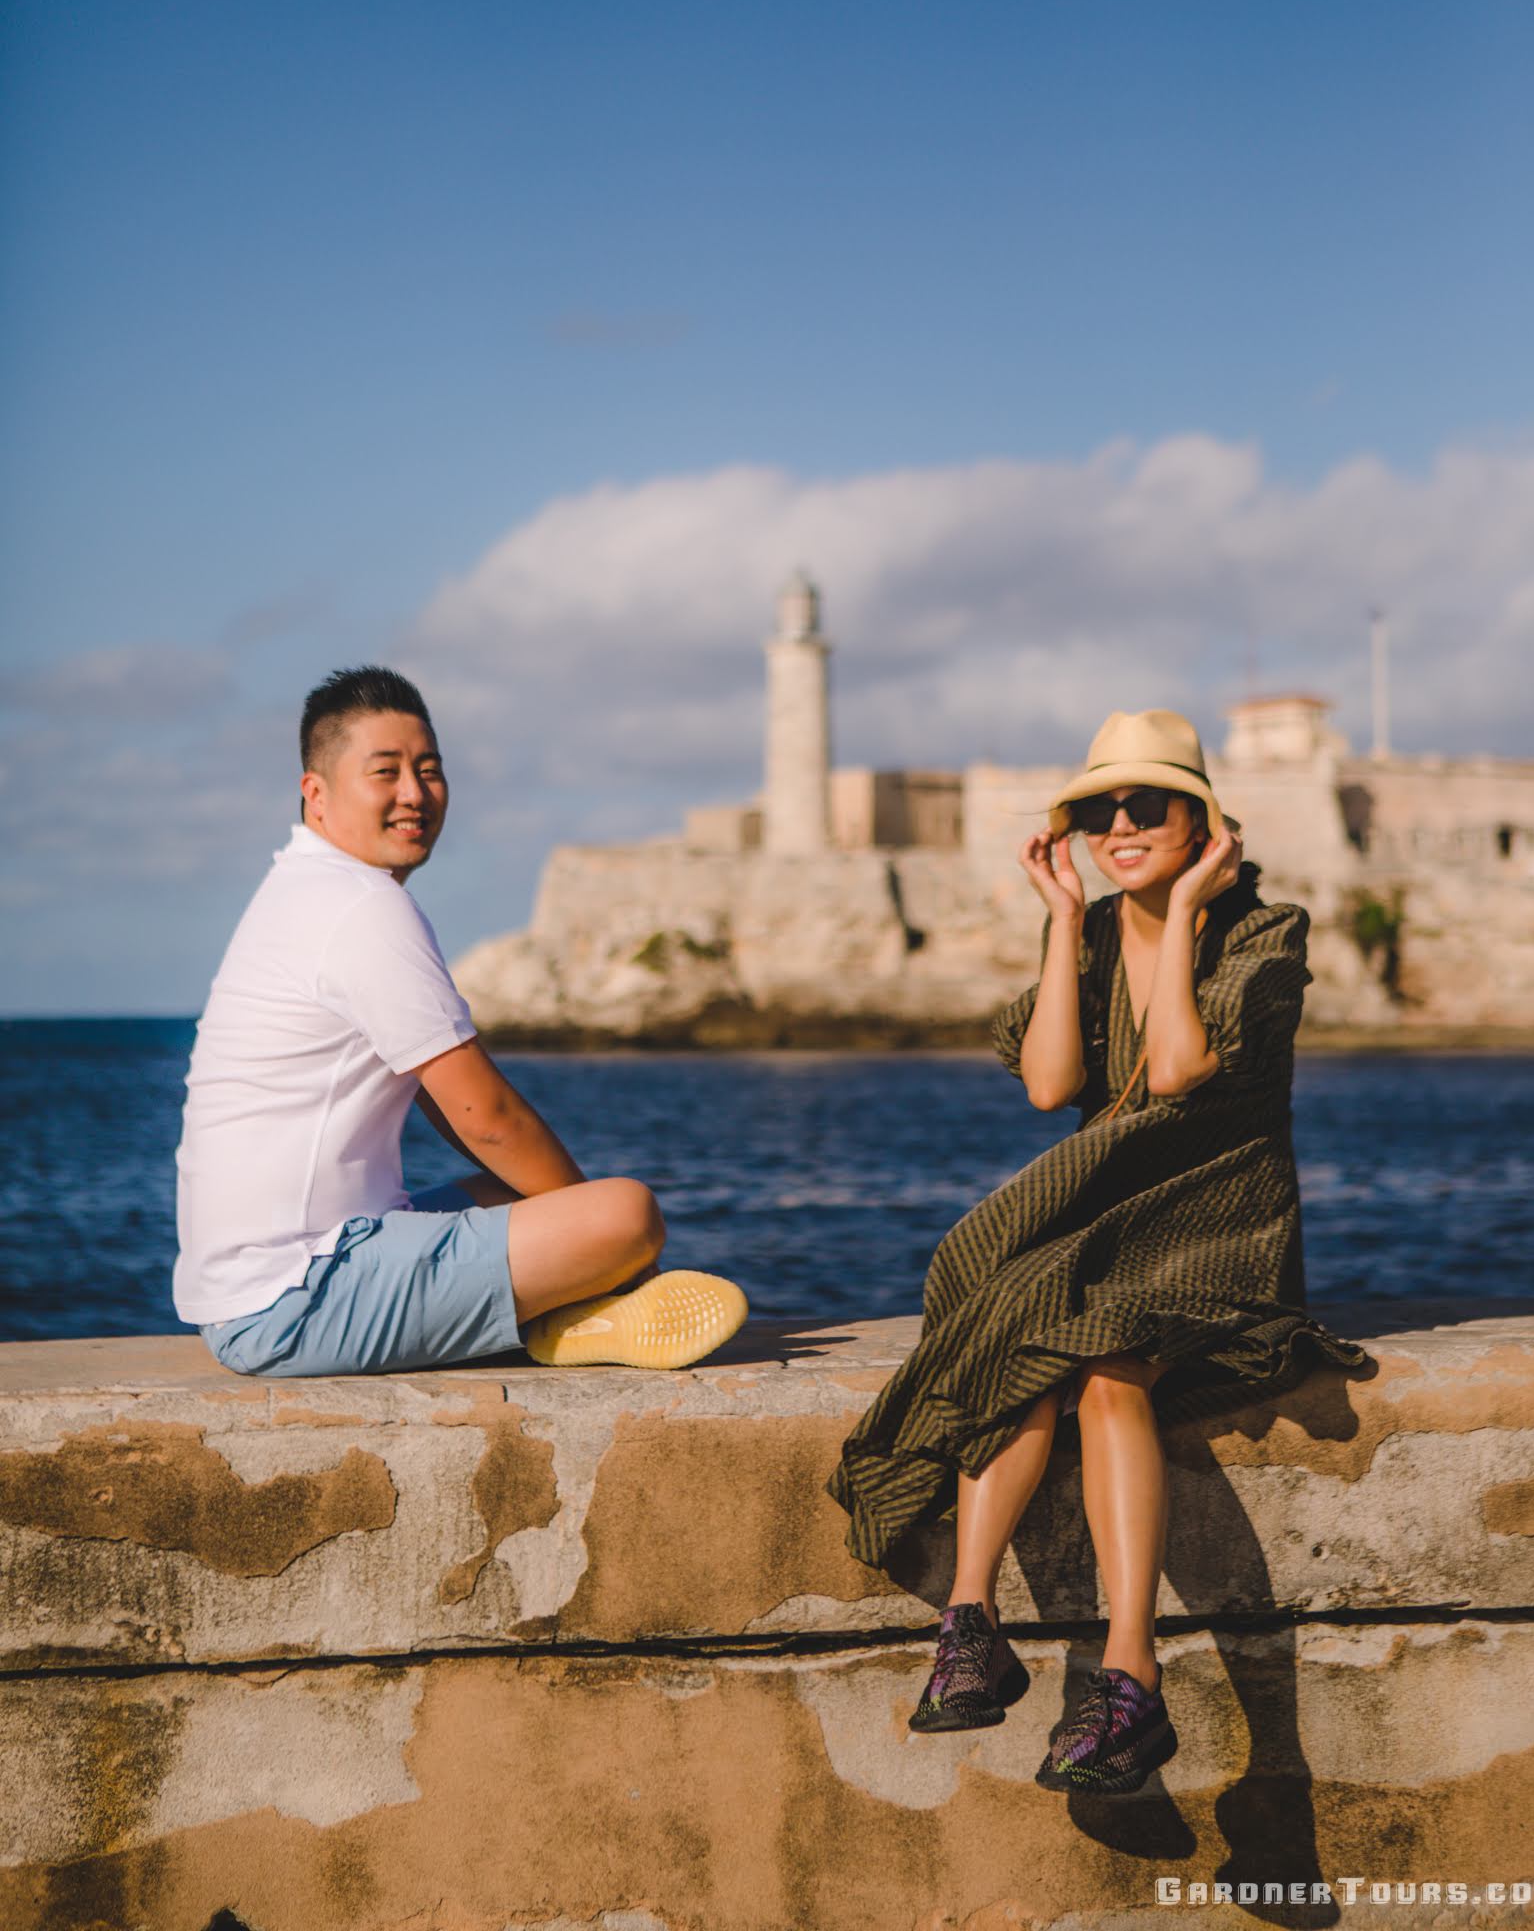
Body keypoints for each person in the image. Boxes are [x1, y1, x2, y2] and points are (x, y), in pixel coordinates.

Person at [826, 707, 1372, 1795]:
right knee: (1017, 1327)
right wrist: (1062, 919)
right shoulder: (1082, 930)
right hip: (1109, 1223)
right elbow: (1047, 1088)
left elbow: (1174, 1070)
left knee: (1106, 1366)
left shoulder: (1267, 934)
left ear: (1203, 822)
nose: (1119, 824)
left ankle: (1130, 1678)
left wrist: (1181, 920)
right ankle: (972, 1627)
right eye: (1096, 809)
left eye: (1148, 805)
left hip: (1221, 1231)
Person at [173, 665, 747, 1379]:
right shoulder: (359, 908)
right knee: (625, 1214)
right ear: (315, 793)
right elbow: (488, 1117)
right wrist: (615, 1256)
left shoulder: (308, 889)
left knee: (523, 1194)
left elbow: (446, 1102)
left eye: (429, 769)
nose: (414, 792)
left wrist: (565, 1223)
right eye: (385, 772)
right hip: (292, 1302)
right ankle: (583, 1307)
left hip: (277, 1282)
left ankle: (569, 1315)